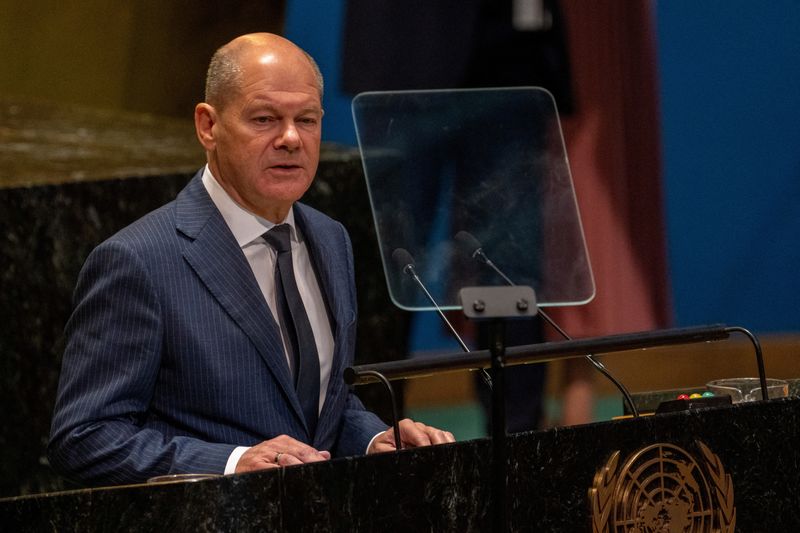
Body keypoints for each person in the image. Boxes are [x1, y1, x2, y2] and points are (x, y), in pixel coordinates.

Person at [47, 33, 454, 486]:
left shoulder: (330, 238)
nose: (290, 138)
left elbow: (317, 408)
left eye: (307, 119)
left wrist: (372, 438)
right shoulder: (137, 261)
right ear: (208, 126)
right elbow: (85, 437)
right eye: (264, 119)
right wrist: (231, 461)